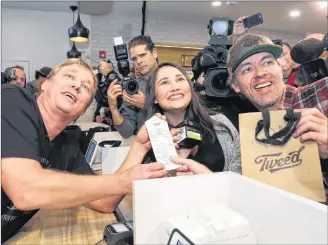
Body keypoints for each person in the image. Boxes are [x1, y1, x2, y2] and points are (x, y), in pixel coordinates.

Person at [1, 59, 167, 243]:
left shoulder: (67, 147)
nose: (76, 85)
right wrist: (121, 181)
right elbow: (26, 191)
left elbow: (105, 201)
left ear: (82, 110)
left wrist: (139, 147)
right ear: (45, 84)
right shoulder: (12, 99)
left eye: (86, 87)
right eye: (69, 76)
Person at [144, 62, 241, 174]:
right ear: (154, 97)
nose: (175, 87)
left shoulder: (220, 123)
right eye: (164, 82)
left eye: (180, 79)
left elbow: (239, 175)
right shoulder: (147, 140)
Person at [107, 35, 158, 138]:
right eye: (134, 59)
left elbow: (179, 117)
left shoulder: (171, 77)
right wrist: (113, 107)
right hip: (144, 149)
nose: (138, 61)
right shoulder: (134, 87)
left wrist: (147, 105)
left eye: (143, 55)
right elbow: (126, 132)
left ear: (154, 53)